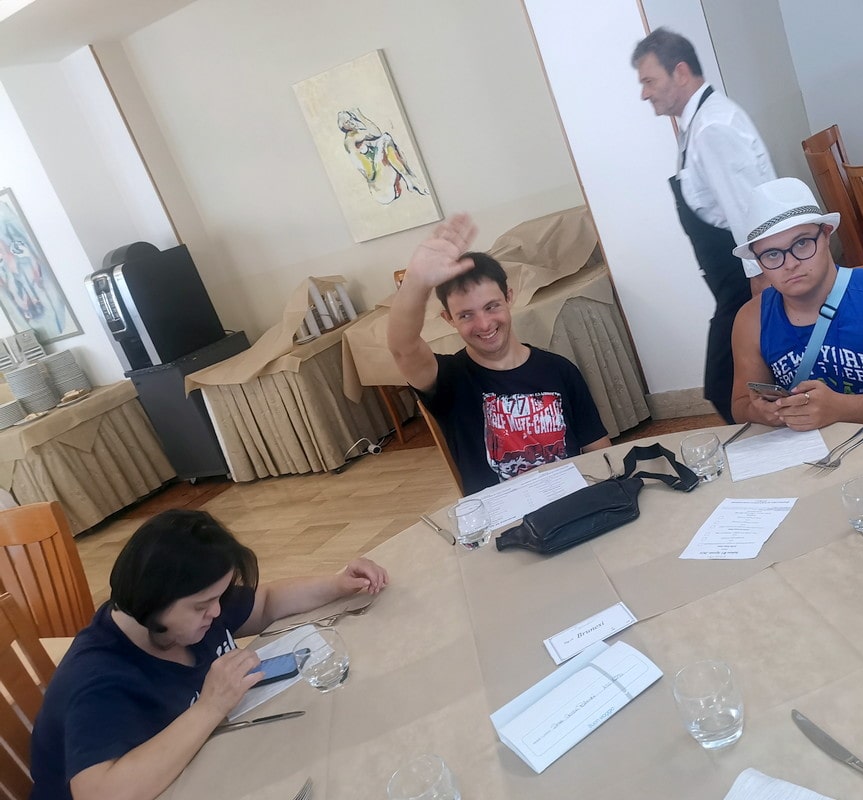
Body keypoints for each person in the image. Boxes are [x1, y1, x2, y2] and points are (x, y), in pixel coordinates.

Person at [29, 509, 389, 800]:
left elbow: (266, 602)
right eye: (202, 605)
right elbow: (101, 793)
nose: (216, 612)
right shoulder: (97, 680)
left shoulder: (183, 613)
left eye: (218, 598)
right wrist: (211, 706)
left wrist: (337, 583)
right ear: (153, 603)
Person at [387, 213, 611, 494]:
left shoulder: (560, 370)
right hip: (503, 516)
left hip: (573, 500)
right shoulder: (448, 380)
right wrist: (416, 281)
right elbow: (403, 348)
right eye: (466, 315)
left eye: (491, 306)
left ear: (509, 298)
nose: (484, 324)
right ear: (448, 319)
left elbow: (599, 450)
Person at [631, 27, 777, 423]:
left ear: (680, 72)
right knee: (741, 385)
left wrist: (762, 286)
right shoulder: (697, 124)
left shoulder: (712, 127)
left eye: (649, 81)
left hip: (745, 283)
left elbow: (747, 211)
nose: (644, 93)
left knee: (724, 384)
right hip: (733, 284)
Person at [730, 178, 863, 430]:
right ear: (758, 261)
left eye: (802, 243)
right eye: (772, 254)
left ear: (826, 234)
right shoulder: (751, 319)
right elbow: (740, 405)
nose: (790, 264)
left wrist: (843, 408)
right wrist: (760, 411)